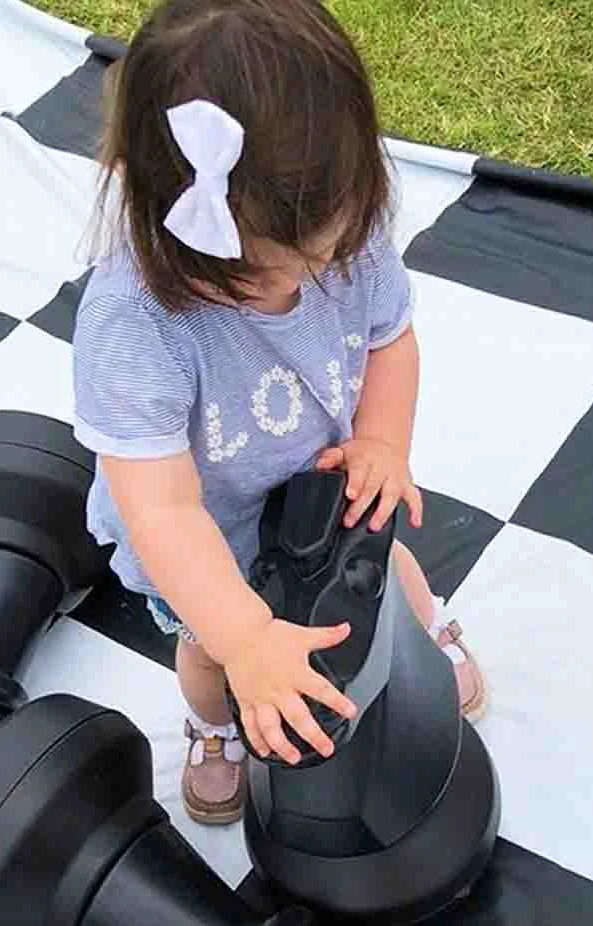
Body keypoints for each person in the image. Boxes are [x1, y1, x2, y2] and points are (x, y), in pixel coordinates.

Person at [70, 0, 487, 826]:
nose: (311, 280)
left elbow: (388, 342)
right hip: (205, 536)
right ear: (175, 231)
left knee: (392, 580)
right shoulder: (134, 323)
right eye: (272, 273)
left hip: (317, 492)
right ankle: (213, 732)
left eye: (330, 251)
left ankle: (428, 644)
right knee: (207, 659)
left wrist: (379, 439)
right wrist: (245, 639)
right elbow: (159, 506)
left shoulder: (345, 224)